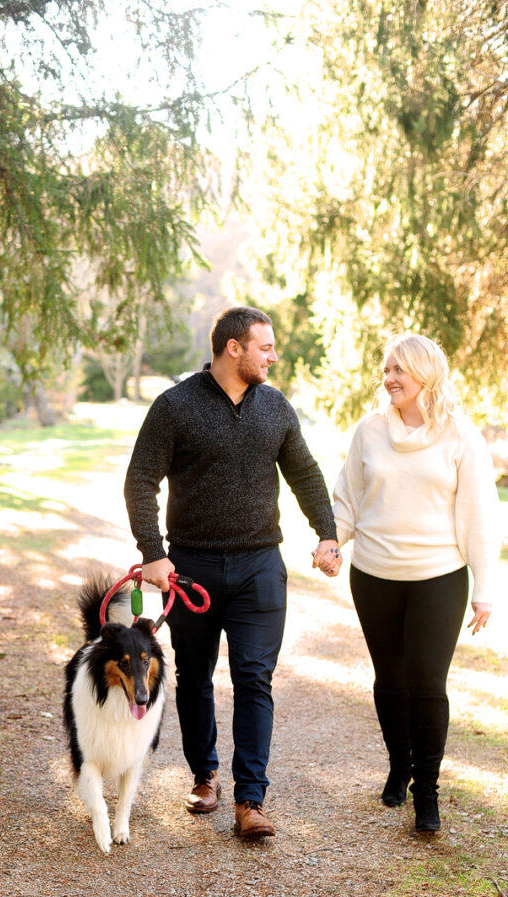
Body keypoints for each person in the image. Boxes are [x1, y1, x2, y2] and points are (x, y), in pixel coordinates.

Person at [123, 306, 341, 839]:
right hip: (191, 567)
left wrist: (327, 533)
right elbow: (140, 480)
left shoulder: (275, 407)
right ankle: (205, 775)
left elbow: (306, 474)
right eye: (265, 347)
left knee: (253, 677)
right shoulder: (174, 406)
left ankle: (250, 800)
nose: (274, 356)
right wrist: (153, 552)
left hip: (259, 566)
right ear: (233, 349)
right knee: (195, 677)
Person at [332, 333, 500, 832]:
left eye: (399, 370)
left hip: (438, 578)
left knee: (427, 684)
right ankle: (398, 766)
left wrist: (484, 587)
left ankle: (426, 791)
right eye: (386, 369)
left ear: (425, 375)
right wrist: (331, 542)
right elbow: (349, 498)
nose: (389, 379)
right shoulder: (369, 430)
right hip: (375, 575)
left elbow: (479, 515)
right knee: (390, 680)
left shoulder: (461, 435)